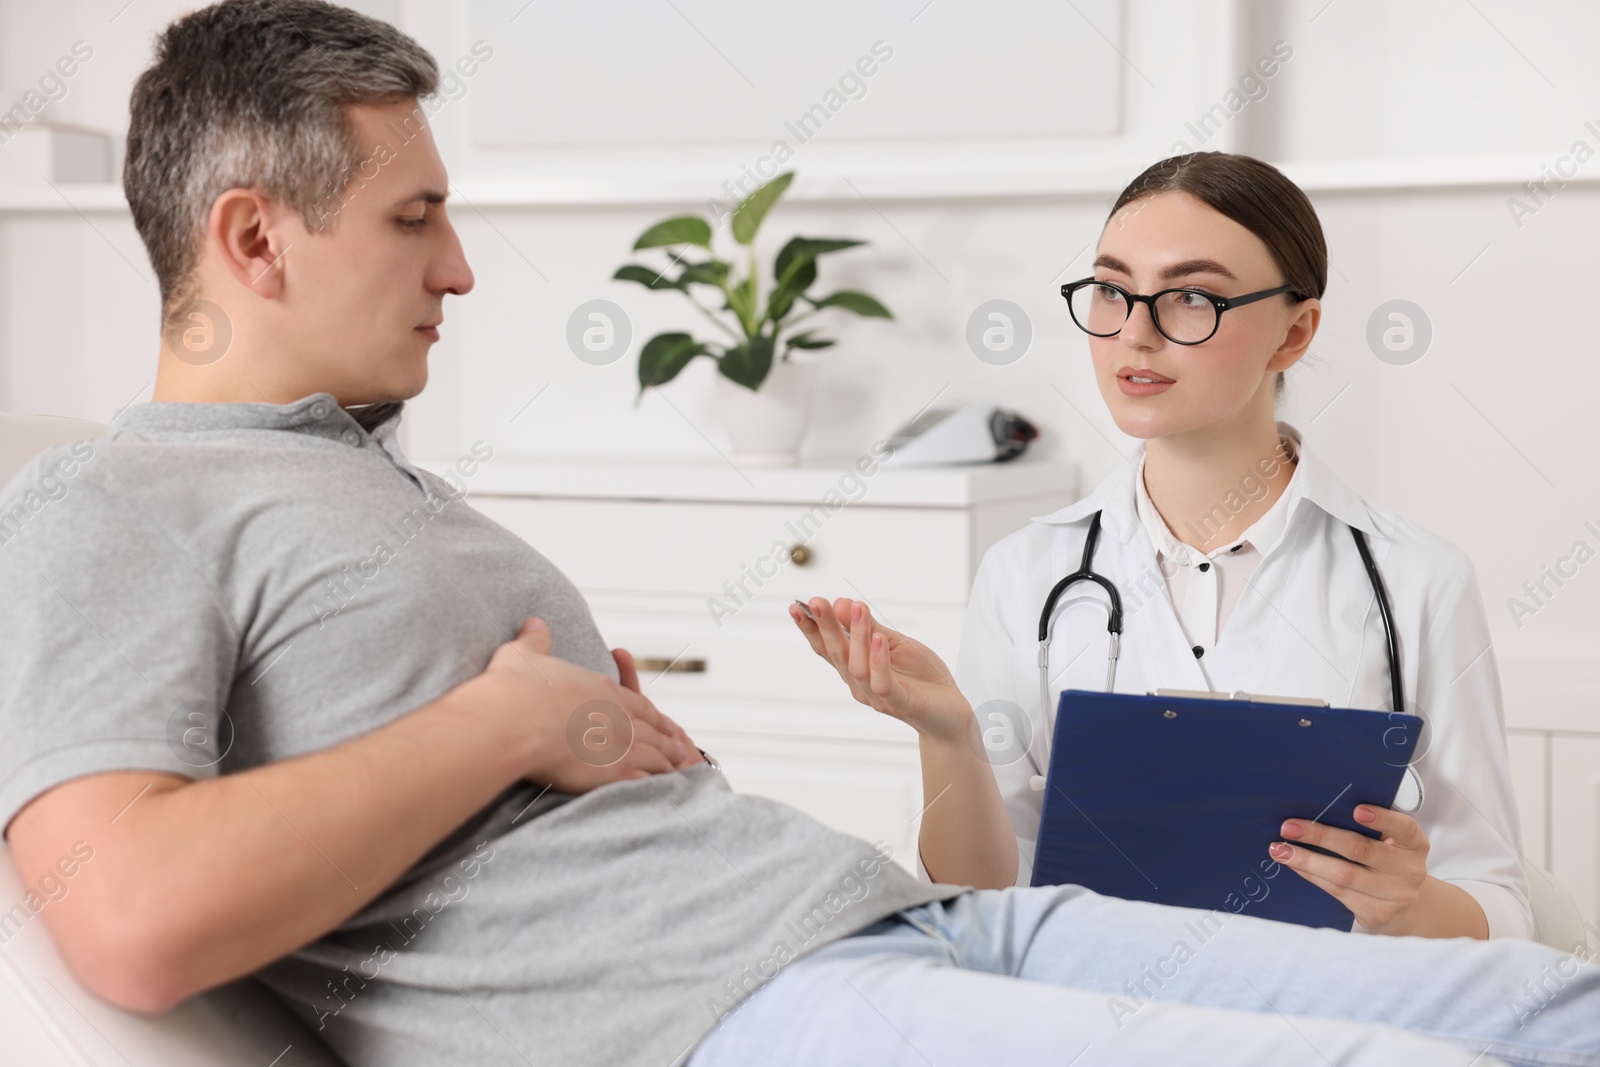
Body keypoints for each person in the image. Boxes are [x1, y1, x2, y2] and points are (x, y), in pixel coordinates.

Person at [0, 5, 1594, 1066]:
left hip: (884, 916)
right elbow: (126, 913)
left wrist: (568, 726)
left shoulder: (376, 477)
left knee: (1545, 1006)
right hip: (729, 1001)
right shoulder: (111, 498)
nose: (466, 269)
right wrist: (503, 720)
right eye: (417, 218)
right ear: (254, 237)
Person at [792, 151, 1530, 941]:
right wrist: (948, 738)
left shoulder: (1417, 581)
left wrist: (1406, 900)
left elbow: (1502, 907)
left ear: (1295, 330)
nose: (1134, 335)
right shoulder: (1025, 572)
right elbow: (979, 896)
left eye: (1191, 297)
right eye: (1112, 290)